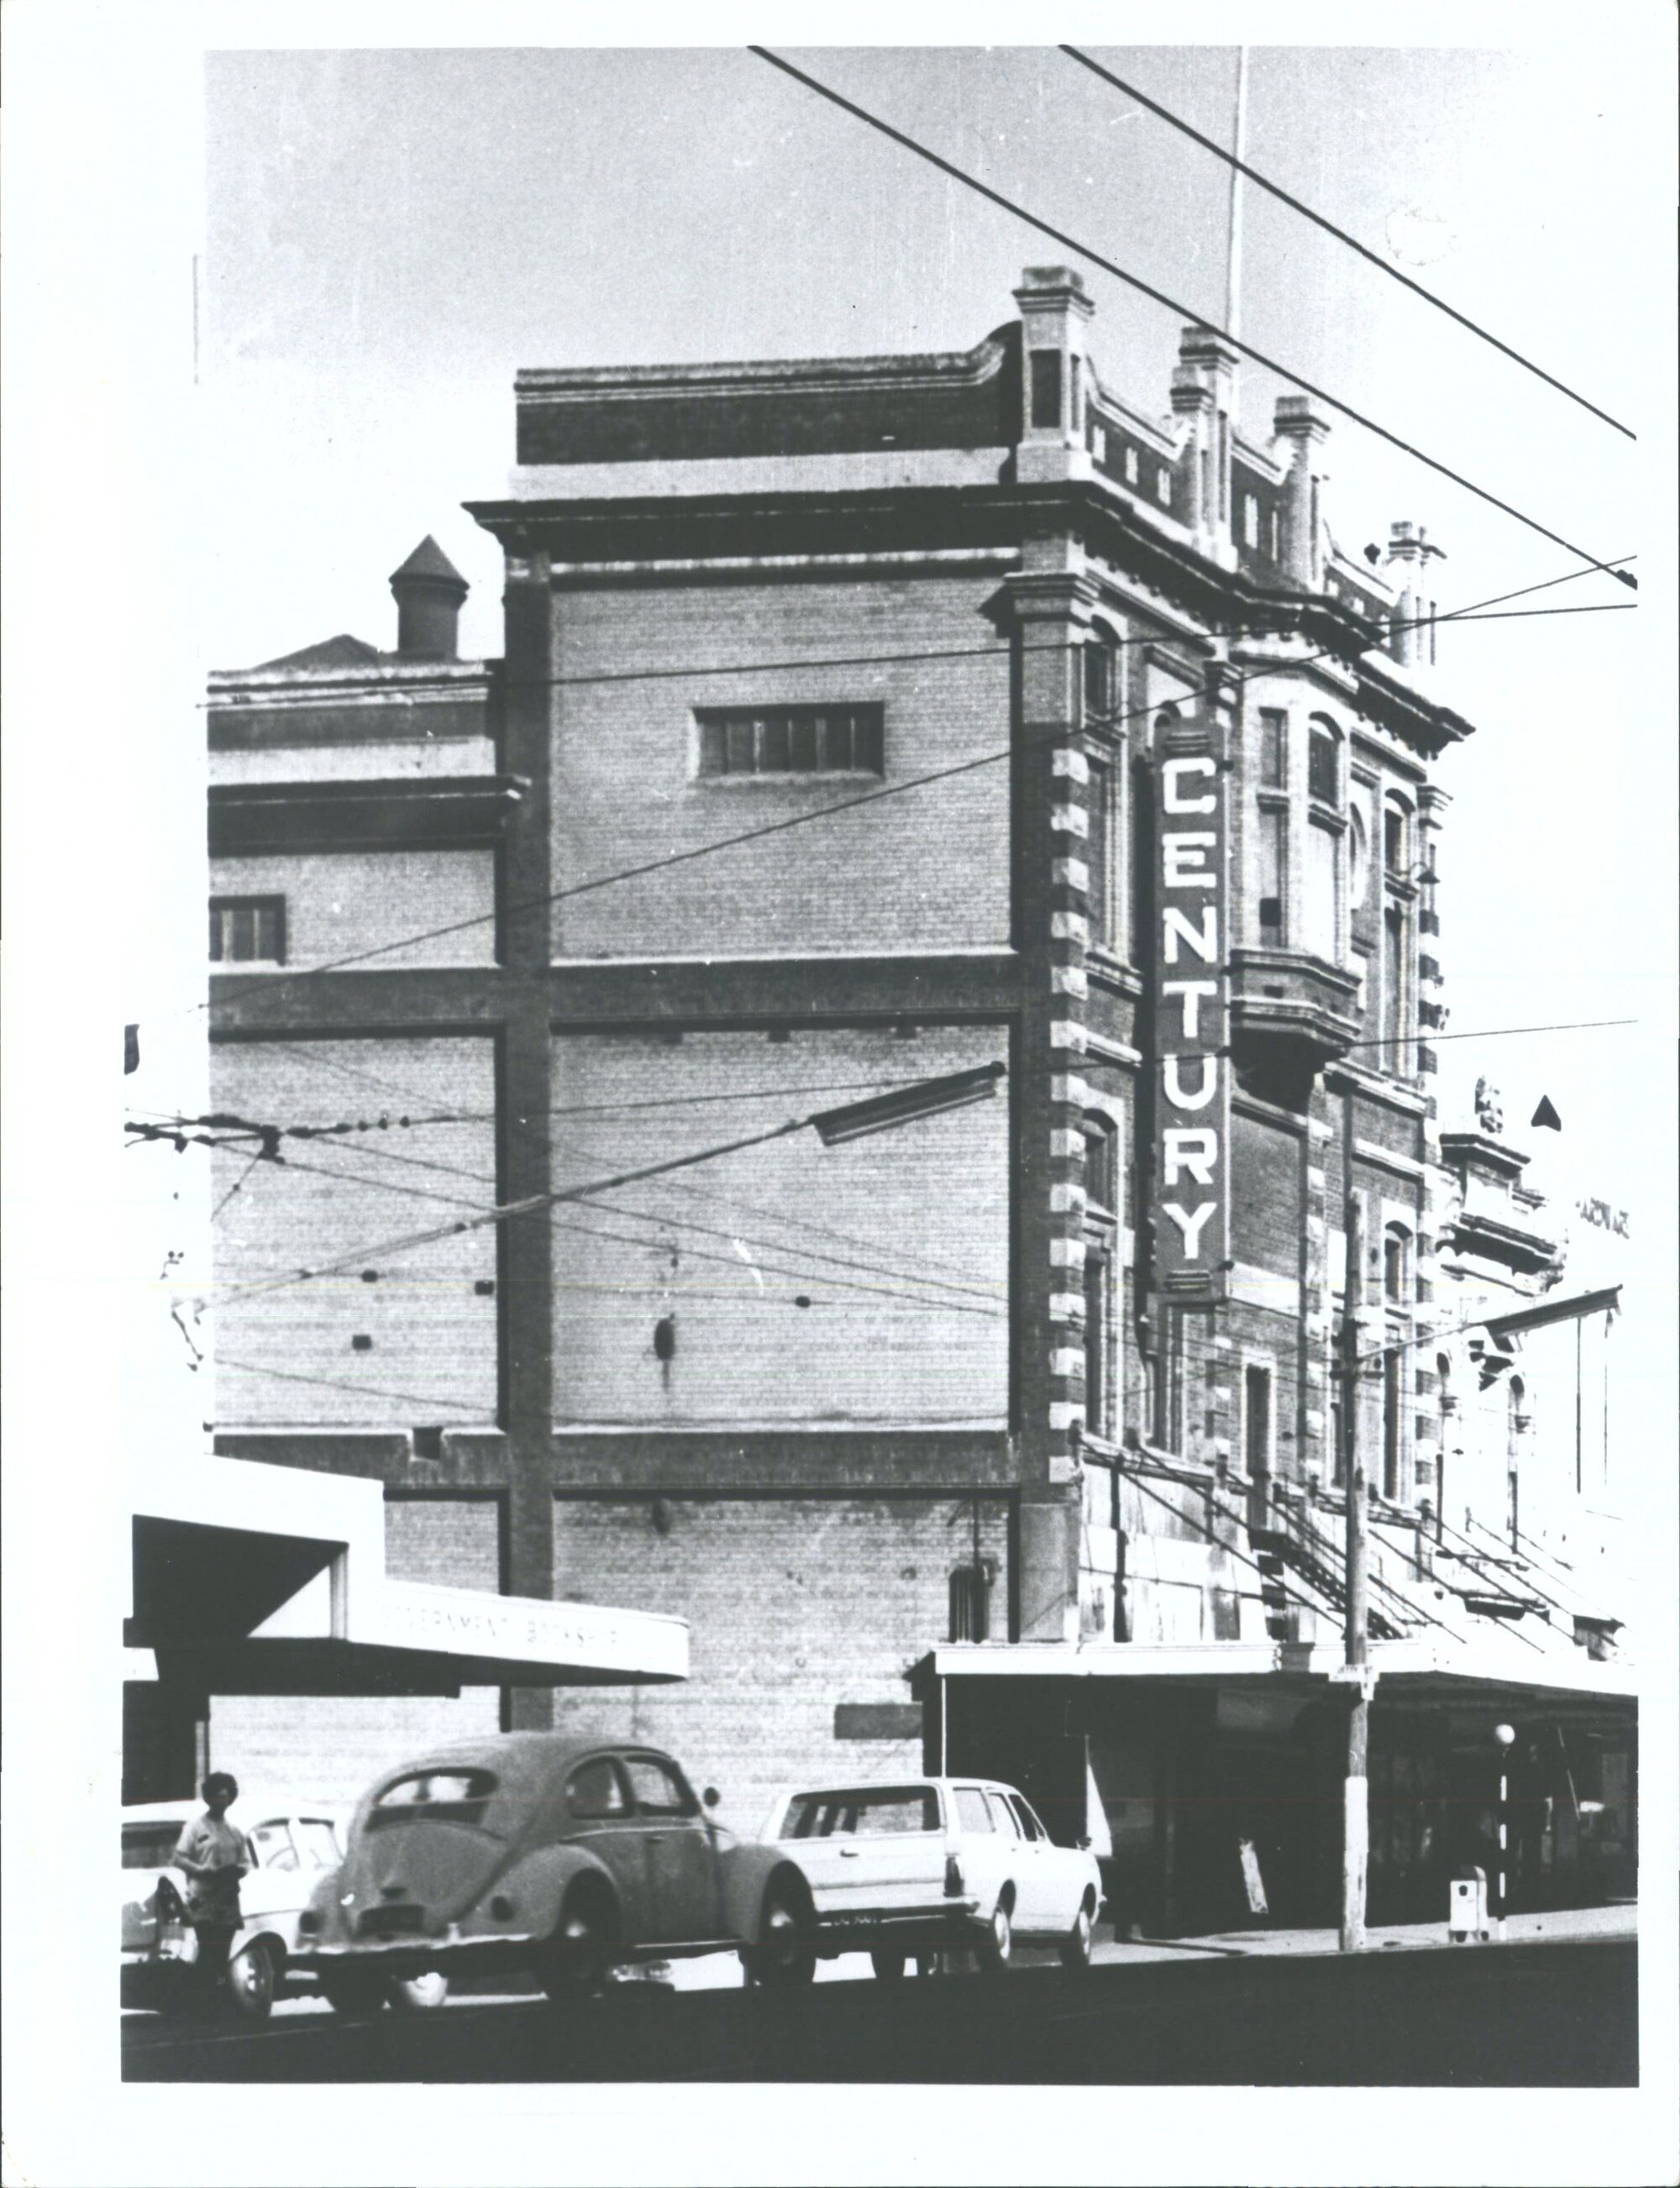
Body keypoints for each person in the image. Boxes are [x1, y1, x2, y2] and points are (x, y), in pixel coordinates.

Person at [171, 1772, 248, 2017]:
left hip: (226, 1899)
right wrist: (202, 1870)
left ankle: (218, 2003)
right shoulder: (195, 1827)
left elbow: (245, 1862)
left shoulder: (234, 1831)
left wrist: (237, 1872)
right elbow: (179, 1858)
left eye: (226, 1797)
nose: (221, 1801)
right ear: (208, 1797)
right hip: (203, 1898)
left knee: (222, 1952)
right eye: (216, 1796)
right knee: (207, 1949)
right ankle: (200, 2004)